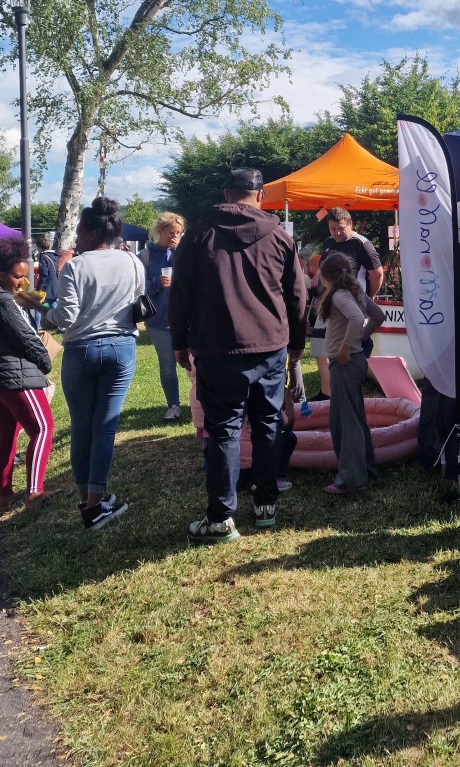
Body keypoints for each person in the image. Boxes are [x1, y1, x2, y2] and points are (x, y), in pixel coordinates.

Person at [169, 168, 307, 543]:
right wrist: (297, 343)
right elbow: (297, 295)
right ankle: (266, 505)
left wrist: (179, 343)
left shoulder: (197, 234)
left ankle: (220, 518)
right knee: (267, 424)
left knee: (224, 429)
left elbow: (180, 294)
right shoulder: (279, 236)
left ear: (227, 195)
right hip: (269, 345)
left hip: (217, 347)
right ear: (260, 196)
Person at [47, 197, 141, 530]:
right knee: (105, 427)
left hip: (81, 351)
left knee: (82, 428)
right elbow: (137, 302)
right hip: (121, 348)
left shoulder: (75, 266)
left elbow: (65, 316)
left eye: (78, 231)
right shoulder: (133, 262)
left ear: (88, 233)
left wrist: (45, 314)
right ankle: (95, 502)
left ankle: (89, 500)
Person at [0, 236, 55, 512]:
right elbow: (26, 340)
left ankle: (5, 497)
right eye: (18, 277)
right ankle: (34, 493)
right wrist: (45, 361)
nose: (22, 282)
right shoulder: (3, 302)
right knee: (43, 429)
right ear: (2, 275)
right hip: (16, 378)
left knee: (6, 436)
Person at [316, 251, 385, 495]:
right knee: (353, 416)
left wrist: (346, 347)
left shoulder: (339, 296)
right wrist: (360, 339)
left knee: (344, 421)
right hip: (354, 362)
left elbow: (357, 318)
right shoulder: (355, 293)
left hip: (344, 363)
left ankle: (351, 478)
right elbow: (378, 315)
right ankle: (365, 468)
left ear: (327, 277)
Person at [143, 211, 186, 421]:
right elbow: (139, 291)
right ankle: (174, 405)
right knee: (168, 365)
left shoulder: (182, 251)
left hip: (185, 318)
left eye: (178, 233)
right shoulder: (145, 255)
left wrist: (182, 253)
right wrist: (157, 283)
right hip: (158, 321)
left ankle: (201, 403)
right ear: (159, 231)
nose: (175, 237)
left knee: (196, 362)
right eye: (171, 232)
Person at [321, 208, 383, 298]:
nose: (337, 233)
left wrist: (369, 297)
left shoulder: (362, 243)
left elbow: (377, 274)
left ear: (350, 224)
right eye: (333, 229)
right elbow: (322, 269)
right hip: (333, 299)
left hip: (356, 298)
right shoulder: (328, 242)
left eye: (341, 228)